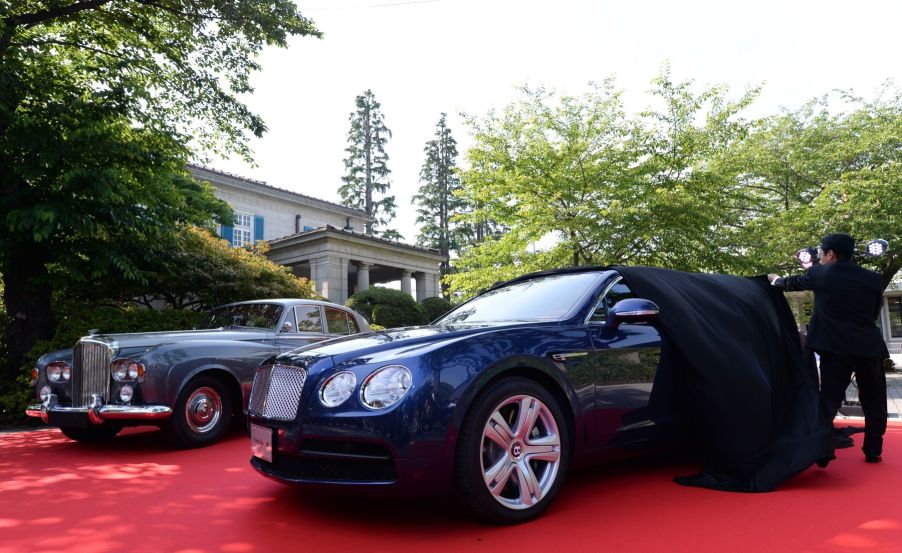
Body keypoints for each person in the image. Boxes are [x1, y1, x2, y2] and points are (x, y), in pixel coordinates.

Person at [768, 232, 888, 463]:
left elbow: (788, 283)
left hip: (834, 348)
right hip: (868, 347)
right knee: (874, 399)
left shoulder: (819, 273)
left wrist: (774, 279)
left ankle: (821, 451)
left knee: (829, 399)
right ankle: (874, 451)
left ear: (830, 254)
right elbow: (873, 313)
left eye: (822, 254)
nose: (820, 258)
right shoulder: (872, 278)